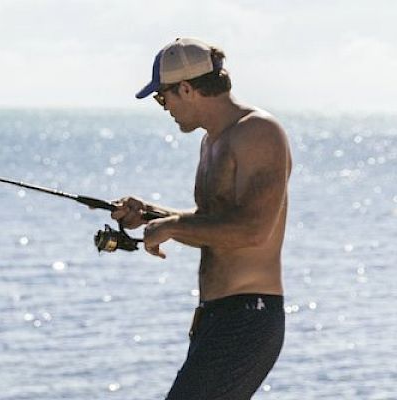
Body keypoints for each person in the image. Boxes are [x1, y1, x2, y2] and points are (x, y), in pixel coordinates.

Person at [113, 37, 294, 400]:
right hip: (217, 316)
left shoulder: (258, 132)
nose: (164, 108)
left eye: (163, 98)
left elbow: (253, 230)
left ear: (186, 88)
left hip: (248, 315)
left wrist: (172, 226)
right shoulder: (212, 141)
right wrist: (151, 214)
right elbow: (215, 222)